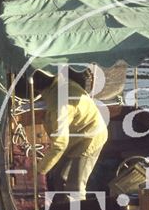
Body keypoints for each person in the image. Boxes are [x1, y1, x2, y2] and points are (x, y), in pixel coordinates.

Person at [34, 68, 108, 200]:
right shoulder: (60, 84)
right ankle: (61, 207)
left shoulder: (59, 104)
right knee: (58, 176)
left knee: (75, 187)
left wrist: (40, 171)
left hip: (90, 138)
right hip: (75, 135)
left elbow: (60, 144)